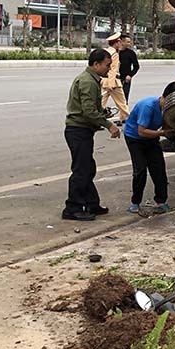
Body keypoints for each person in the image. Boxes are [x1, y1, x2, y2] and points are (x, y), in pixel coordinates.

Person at [63, 49, 122, 221]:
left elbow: (90, 108)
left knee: (88, 168)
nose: (109, 69)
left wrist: (102, 112)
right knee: (81, 171)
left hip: (82, 130)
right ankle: (72, 208)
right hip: (78, 130)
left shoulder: (91, 80)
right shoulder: (88, 82)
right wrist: (109, 125)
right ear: (96, 64)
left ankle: (91, 204)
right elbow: (88, 111)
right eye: (107, 65)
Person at [124, 82, 175, 213]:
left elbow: (167, 126)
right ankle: (135, 203)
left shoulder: (167, 109)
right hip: (135, 139)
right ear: (167, 98)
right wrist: (163, 133)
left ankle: (161, 201)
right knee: (140, 170)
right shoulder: (148, 106)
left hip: (151, 138)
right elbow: (141, 131)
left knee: (159, 169)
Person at [101, 32, 130, 122]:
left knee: (101, 102)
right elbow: (113, 70)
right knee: (122, 103)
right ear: (116, 43)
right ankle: (131, 120)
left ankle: (95, 120)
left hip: (104, 80)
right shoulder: (114, 54)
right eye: (119, 42)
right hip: (113, 82)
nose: (120, 44)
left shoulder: (105, 52)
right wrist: (111, 83)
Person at [120, 35, 140, 101]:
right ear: (122, 42)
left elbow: (136, 66)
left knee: (124, 97)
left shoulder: (131, 53)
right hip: (114, 78)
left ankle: (124, 110)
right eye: (127, 42)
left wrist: (130, 75)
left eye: (130, 42)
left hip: (126, 79)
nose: (129, 44)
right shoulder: (115, 52)